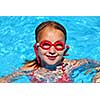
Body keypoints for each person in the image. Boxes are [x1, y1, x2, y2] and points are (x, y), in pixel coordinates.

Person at [0, 21, 100, 83]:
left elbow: (94, 64)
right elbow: (5, 81)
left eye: (58, 45)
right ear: (37, 47)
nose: (52, 51)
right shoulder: (29, 69)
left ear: (65, 49)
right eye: (46, 45)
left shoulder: (71, 65)